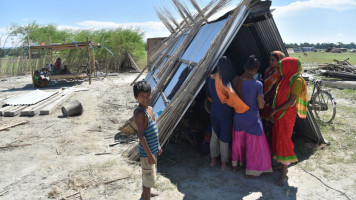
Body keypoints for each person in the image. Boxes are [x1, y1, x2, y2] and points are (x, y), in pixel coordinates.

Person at [231, 55, 272, 176]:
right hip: (252, 119)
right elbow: (260, 106)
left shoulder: (235, 80)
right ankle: (251, 170)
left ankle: (235, 166)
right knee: (253, 145)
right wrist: (263, 102)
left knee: (238, 142)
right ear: (255, 70)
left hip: (238, 117)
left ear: (244, 67)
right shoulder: (258, 84)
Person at [270, 57, 308, 186]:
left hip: (286, 115)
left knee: (284, 141)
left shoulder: (297, 81)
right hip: (280, 113)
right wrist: (275, 111)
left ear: (288, 67)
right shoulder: (284, 79)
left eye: (282, 67)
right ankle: (281, 166)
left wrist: (275, 111)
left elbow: (291, 102)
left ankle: (284, 174)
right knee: (278, 138)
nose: (279, 70)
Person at [133, 81, 162, 200]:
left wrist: (158, 145)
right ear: (136, 97)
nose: (146, 98)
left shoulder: (149, 109)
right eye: (142, 96)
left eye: (148, 95)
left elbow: (154, 129)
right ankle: (146, 196)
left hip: (152, 149)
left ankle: (147, 191)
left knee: (149, 174)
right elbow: (141, 136)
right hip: (146, 153)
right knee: (148, 176)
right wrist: (149, 155)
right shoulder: (140, 113)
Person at [207, 57, 235, 171]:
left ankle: (213, 160)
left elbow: (209, 95)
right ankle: (224, 164)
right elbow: (232, 95)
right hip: (225, 113)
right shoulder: (226, 80)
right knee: (224, 137)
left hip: (214, 111)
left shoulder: (210, 79)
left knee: (214, 135)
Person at [261, 51, 286, 143]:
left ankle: (272, 142)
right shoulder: (267, 70)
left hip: (273, 100)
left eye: (273, 60)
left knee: (272, 122)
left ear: (279, 61)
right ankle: (265, 141)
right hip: (264, 99)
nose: (271, 62)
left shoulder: (281, 72)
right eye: (270, 60)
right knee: (264, 120)